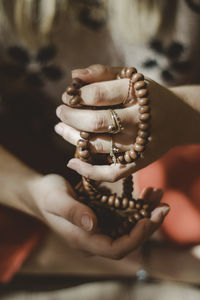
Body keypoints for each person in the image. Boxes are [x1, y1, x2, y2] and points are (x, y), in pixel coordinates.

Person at [0, 0, 199, 286]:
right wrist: (29, 193)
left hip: (173, 146)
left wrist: (185, 112)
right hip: (19, 157)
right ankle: (164, 263)